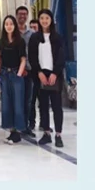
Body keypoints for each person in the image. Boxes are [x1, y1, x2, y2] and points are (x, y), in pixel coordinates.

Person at [29, 9, 66, 148]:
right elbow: (32, 57)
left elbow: (61, 57)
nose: (44, 21)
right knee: (43, 105)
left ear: (51, 20)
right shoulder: (34, 38)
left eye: (47, 18)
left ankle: (58, 134)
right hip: (40, 75)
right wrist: (39, 72)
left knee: (57, 106)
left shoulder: (57, 37)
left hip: (55, 74)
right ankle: (46, 133)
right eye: (42, 18)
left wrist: (55, 73)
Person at [0, 15, 27, 145]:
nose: (9, 26)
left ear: (14, 26)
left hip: (16, 73)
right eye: (6, 24)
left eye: (11, 24)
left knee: (18, 103)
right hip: (4, 74)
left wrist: (19, 74)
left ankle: (18, 132)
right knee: (6, 103)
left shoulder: (20, 41)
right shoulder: (1, 42)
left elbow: (23, 59)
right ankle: (11, 131)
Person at [16, 6, 36, 137]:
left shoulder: (32, 34)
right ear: (16, 15)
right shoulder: (12, 32)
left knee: (28, 100)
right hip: (15, 71)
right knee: (17, 100)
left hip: (29, 70)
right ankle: (17, 125)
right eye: (20, 14)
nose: (22, 16)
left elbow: (35, 52)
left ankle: (26, 125)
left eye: (24, 14)